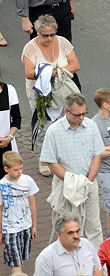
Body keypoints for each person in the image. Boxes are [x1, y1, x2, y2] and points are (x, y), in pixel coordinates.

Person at [21, 15, 81, 175]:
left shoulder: (63, 42)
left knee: (63, 123)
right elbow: (28, 72)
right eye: (45, 35)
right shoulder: (30, 48)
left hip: (62, 92)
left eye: (52, 34)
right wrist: (47, 73)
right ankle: (44, 157)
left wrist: (57, 72)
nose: (49, 38)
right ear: (38, 33)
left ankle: (61, 156)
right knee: (44, 126)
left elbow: (75, 64)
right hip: (40, 94)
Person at [0, 153, 38, 275]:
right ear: (6, 169)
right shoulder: (2, 186)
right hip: (10, 227)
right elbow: (0, 209)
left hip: (26, 226)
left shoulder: (28, 180)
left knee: (20, 257)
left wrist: (34, 225)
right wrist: (0, 230)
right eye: (16, 170)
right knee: (16, 262)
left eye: (21, 168)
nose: (19, 172)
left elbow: (32, 204)